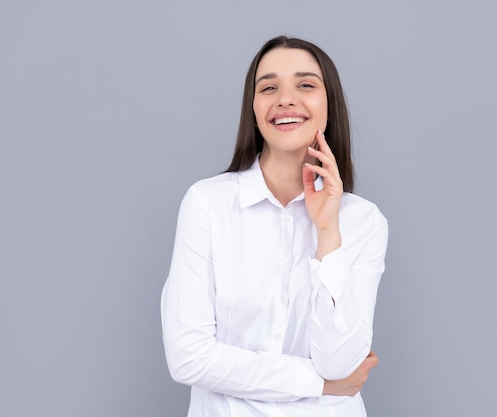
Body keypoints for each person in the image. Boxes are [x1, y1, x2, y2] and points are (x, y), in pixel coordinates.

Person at [161, 36, 388, 417]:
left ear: (329, 107)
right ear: (254, 109)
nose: (285, 99)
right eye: (269, 87)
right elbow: (188, 357)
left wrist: (328, 232)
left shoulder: (363, 221)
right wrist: (318, 385)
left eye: (305, 85)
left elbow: (340, 363)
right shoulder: (208, 204)